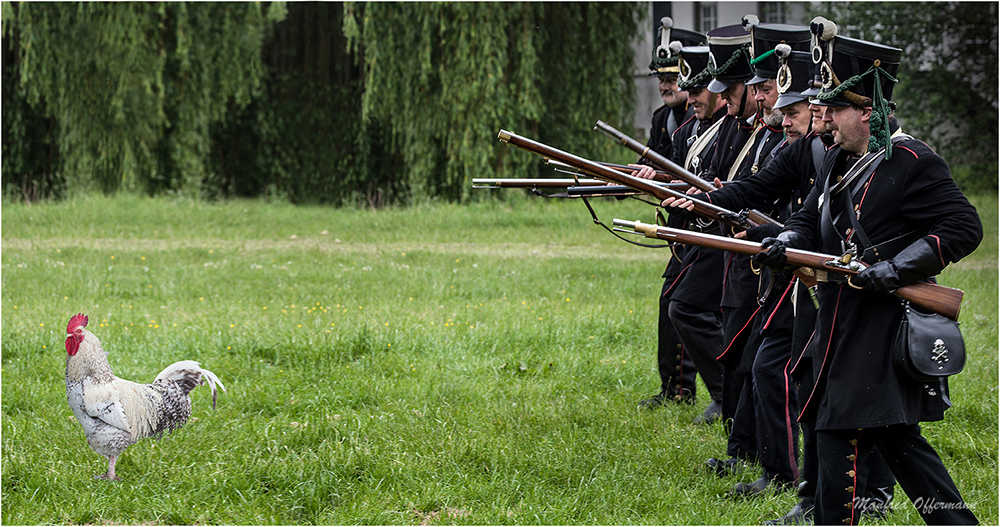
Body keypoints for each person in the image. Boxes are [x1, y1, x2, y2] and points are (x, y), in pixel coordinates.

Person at [752, 33, 982, 526]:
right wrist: (785, 241)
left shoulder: (913, 161)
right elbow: (812, 219)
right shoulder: (837, 159)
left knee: (852, 433)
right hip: (838, 321)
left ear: (868, 111)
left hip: (882, 326)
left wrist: (897, 269)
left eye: (833, 110)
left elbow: (964, 228)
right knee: (889, 438)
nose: (823, 119)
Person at [706, 19, 811, 480]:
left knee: (784, 373)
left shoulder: (831, 150)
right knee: (761, 364)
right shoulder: (801, 148)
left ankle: (807, 483)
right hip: (787, 272)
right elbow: (754, 187)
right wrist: (699, 202)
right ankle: (778, 471)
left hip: (829, 284)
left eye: (795, 109)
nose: (781, 115)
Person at [636, 43, 729, 423]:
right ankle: (684, 389)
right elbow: (677, 175)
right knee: (675, 306)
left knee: (689, 309)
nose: (689, 97)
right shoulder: (684, 128)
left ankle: (726, 397)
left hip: (720, 237)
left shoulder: (731, 131)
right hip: (687, 234)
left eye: (695, 89)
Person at [638, 18, 705, 409]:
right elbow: (648, 164)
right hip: (680, 224)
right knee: (671, 305)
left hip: (707, 224)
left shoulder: (706, 121)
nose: (665, 85)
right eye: (661, 78)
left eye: (674, 76)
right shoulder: (663, 119)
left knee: (685, 305)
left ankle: (717, 395)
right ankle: (676, 389)